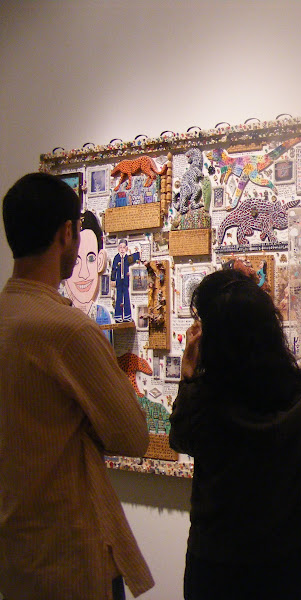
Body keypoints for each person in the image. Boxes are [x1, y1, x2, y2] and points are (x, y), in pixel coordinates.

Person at [0, 173, 154, 599]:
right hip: (71, 554)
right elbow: (132, 435)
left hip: (16, 554)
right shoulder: (67, 330)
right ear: (66, 233)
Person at [169, 268, 301, 599]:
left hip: (217, 567)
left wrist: (188, 376)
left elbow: (181, 440)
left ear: (215, 339)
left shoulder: (204, 399)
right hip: (294, 563)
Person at [63, 210, 113, 337]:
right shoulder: (58, 315)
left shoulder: (102, 314)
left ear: (100, 261)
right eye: (76, 261)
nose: (83, 273)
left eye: (91, 258)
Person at [110, 238, 140, 322]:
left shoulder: (127, 258)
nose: (122, 249)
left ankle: (127, 316)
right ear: (118, 248)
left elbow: (134, 257)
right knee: (119, 297)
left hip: (126, 281)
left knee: (126, 297)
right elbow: (113, 269)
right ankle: (118, 316)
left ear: (126, 248)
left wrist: (139, 253)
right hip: (119, 281)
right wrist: (113, 279)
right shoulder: (116, 258)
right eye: (120, 247)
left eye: (124, 247)